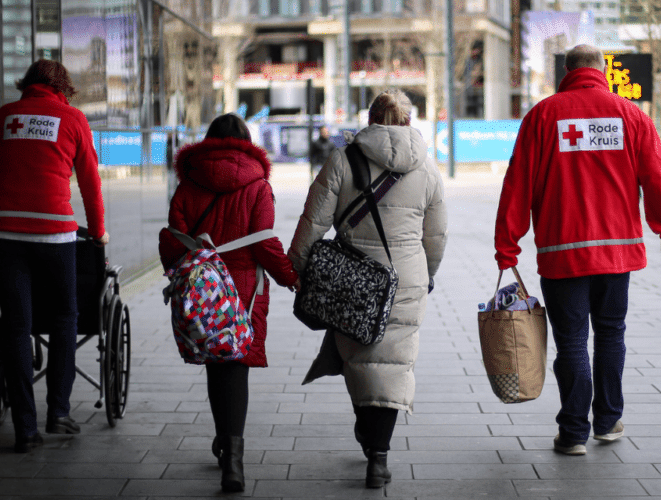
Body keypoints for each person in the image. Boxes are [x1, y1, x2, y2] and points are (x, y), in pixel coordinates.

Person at [494, 44, 661, 456]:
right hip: (618, 253)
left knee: (571, 343)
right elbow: (657, 176)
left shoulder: (543, 116)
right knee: (611, 334)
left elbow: (518, 183)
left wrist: (507, 246)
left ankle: (572, 433)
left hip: (562, 252)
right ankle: (608, 421)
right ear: (602, 70)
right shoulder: (632, 115)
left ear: (566, 71)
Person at [288, 89, 447, 488]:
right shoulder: (427, 167)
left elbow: (313, 220)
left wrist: (300, 267)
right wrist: (427, 273)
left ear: (371, 119)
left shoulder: (343, 159)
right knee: (395, 363)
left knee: (360, 358)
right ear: (409, 121)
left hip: (352, 278)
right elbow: (436, 234)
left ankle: (368, 432)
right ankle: (379, 454)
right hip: (406, 278)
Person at [158, 113, 299, 493]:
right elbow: (264, 242)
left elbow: (172, 239)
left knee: (216, 362)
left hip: (203, 289)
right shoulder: (258, 186)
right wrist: (290, 277)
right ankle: (233, 457)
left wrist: (180, 274)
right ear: (247, 144)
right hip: (244, 288)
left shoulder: (188, 183)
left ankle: (226, 446)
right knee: (236, 363)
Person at [0, 59, 109, 454]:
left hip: (0, 231)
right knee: (65, 316)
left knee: (17, 325)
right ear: (63, 88)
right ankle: (59, 412)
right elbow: (90, 183)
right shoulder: (72, 119)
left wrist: (6, 210)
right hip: (53, 233)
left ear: (26, 85)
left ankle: (25, 429)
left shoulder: (5, 116)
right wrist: (98, 231)